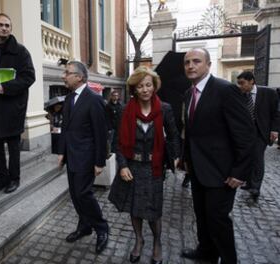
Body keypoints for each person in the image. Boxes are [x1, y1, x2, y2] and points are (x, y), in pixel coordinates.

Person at [180, 48, 255, 263]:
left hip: (221, 173)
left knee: (218, 220)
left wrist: (240, 172)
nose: (191, 66)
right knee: (202, 216)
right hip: (197, 170)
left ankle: (229, 260)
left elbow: (246, 134)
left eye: (196, 61)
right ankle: (206, 252)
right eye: (187, 62)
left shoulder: (226, 90)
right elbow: (193, 132)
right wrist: (185, 159)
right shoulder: (189, 93)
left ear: (208, 65)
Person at [108, 66, 180, 264]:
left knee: (153, 210)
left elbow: (173, 136)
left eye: (148, 85)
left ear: (154, 86)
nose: (145, 89)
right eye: (140, 86)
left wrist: (175, 156)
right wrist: (122, 166)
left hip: (154, 167)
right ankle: (139, 240)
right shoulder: (125, 109)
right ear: (134, 89)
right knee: (135, 208)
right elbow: (118, 142)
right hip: (132, 167)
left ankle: (157, 242)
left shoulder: (164, 109)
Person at [0, 13, 35, 194]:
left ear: (10, 28)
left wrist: (5, 87)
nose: (4, 28)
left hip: (11, 107)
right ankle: (1, 179)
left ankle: (14, 179)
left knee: (13, 146)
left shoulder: (21, 51)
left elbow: (29, 77)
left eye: (7, 25)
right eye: (1, 25)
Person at [57, 60, 109, 254]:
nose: (63, 75)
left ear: (79, 77)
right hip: (71, 156)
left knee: (83, 194)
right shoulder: (69, 98)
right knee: (75, 194)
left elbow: (100, 133)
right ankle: (84, 226)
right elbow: (66, 128)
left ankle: (102, 228)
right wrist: (61, 152)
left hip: (87, 158)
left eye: (67, 72)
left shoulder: (94, 99)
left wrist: (99, 161)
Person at [236, 71, 280, 201]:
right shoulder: (241, 95)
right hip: (246, 133)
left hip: (262, 131)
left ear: (251, 81)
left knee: (257, 157)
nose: (240, 86)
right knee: (248, 156)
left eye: (242, 83)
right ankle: (249, 182)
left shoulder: (268, 93)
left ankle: (255, 187)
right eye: (238, 83)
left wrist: (275, 130)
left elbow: (277, 113)